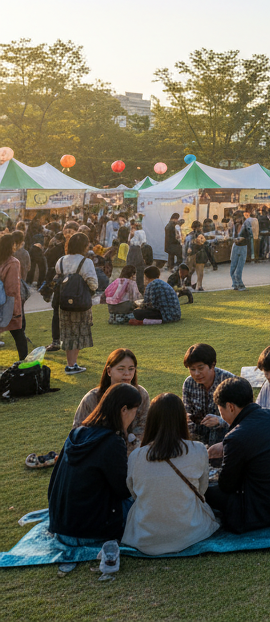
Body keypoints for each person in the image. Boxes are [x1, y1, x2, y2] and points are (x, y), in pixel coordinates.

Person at [204, 377, 270, 533]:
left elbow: (227, 485)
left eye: (221, 410)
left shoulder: (236, 437)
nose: (222, 415)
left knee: (205, 490)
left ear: (230, 407)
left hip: (265, 511)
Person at [122, 393, 219, 555]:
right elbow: (202, 490)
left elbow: (134, 493)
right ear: (182, 419)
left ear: (151, 420)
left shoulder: (136, 456)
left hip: (144, 538)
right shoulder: (198, 449)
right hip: (191, 533)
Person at [47, 383, 142, 546]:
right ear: (124, 410)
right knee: (145, 500)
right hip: (92, 532)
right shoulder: (112, 442)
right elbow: (124, 490)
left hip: (60, 527)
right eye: (135, 411)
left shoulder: (76, 434)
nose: (134, 416)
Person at [73, 348, 151, 446]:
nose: (127, 373)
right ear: (109, 371)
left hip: (133, 451)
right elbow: (77, 432)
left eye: (131, 369)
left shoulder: (141, 394)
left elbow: (144, 428)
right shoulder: (92, 398)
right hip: (99, 450)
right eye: (121, 369)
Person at [55, 232, 99, 375]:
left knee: (67, 332)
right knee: (79, 332)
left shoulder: (61, 260)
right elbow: (93, 284)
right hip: (80, 302)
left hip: (64, 302)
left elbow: (57, 278)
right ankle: (72, 365)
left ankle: (70, 364)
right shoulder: (86, 262)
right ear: (84, 246)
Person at [182, 343, 235, 447]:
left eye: (200, 368)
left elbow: (243, 418)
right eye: (192, 369)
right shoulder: (189, 384)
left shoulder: (229, 382)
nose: (196, 373)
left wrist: (220, 421)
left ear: (213, 364)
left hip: (225, 437)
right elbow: (187, 413)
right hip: (198, 437)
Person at [0, 232, 28, 360]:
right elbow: (12, 289)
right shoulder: (13, 262)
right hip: (8, 303)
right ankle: (23, 362)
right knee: (18, 333)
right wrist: (16, 310)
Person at [229, 216, 248, 291]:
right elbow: (231, 236)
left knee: (239, 267)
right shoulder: (234, 227)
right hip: (236, 246)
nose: (237, 220)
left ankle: (240, 284)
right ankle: (235, 283)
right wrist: (234, 239)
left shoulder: (246, 227)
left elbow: (250, 236)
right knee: (233, 267)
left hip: (243, 246)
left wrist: (243, 239)